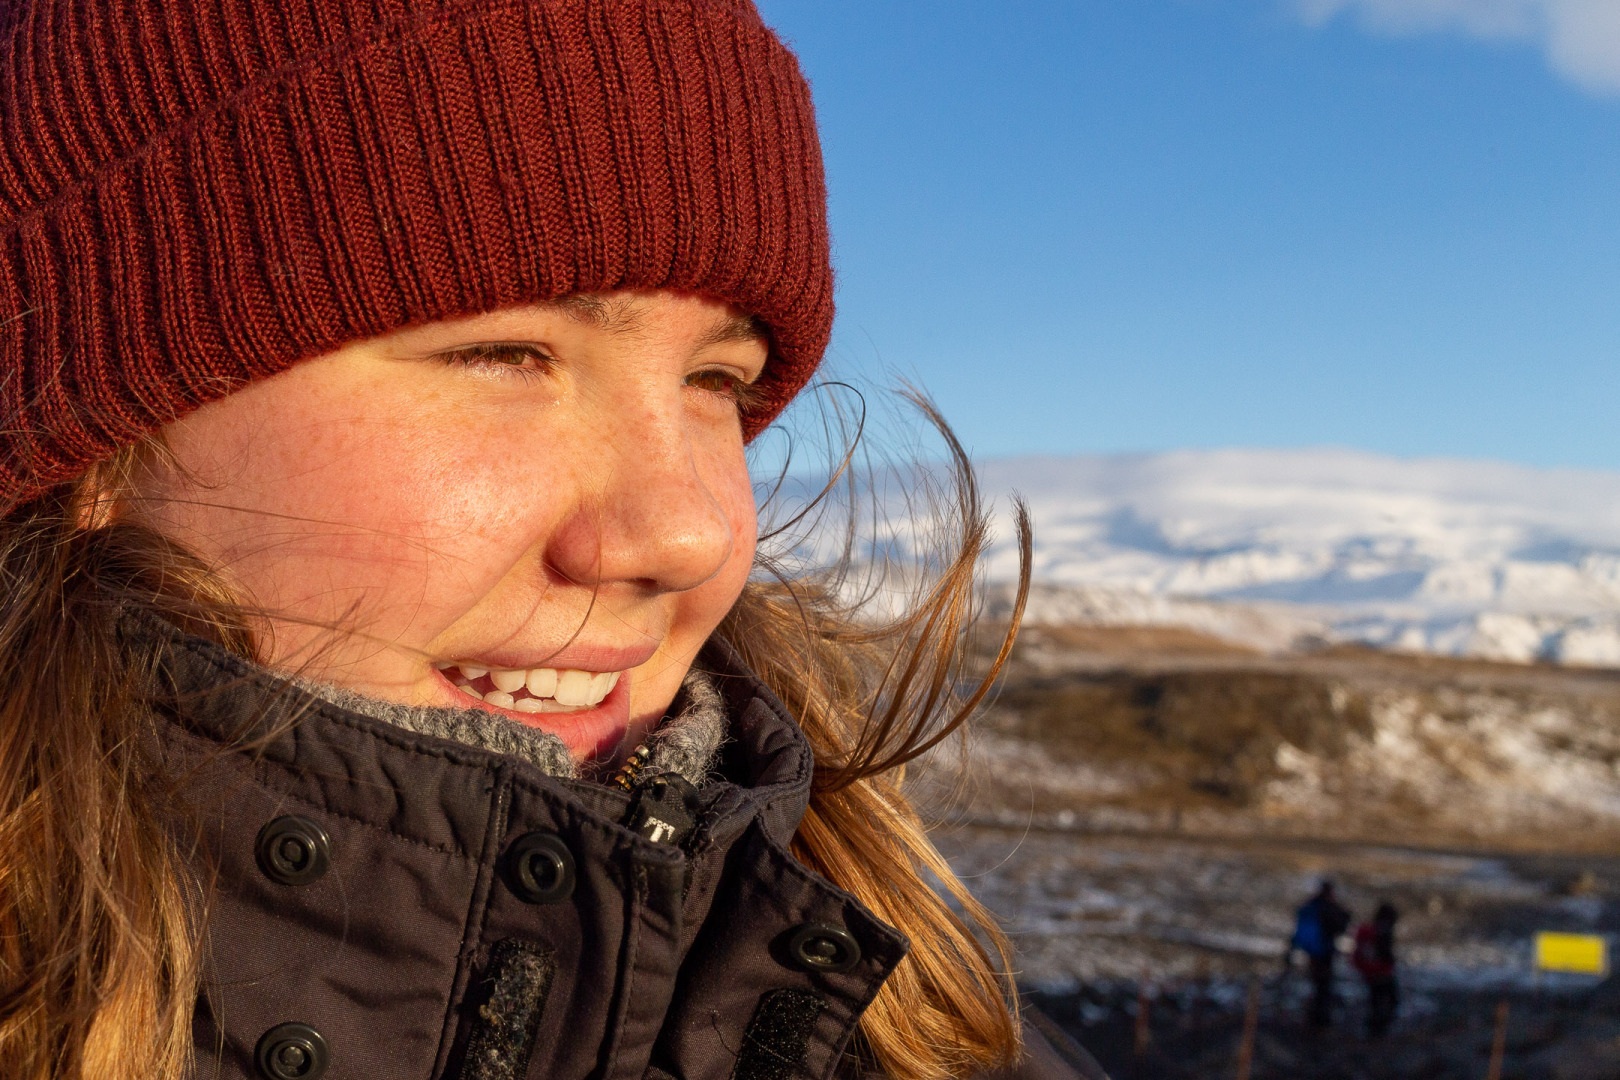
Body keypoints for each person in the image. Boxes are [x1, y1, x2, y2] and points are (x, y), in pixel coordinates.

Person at [0, 3, 1095, 1080]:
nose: (688, 532)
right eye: (505, 353)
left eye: (717, 381)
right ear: (95, 438)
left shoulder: (921, 1038)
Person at [1291, 880, 1352, 1028]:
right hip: (1324, 952)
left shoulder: (1310, 905)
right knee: (1323, 986)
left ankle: (1312, 1016)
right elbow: (1341, 926)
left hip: (1312, 952)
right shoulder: (1329, 908)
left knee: (1317, 983)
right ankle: (1319, 1019)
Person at [1352, 902, 1400, 1038]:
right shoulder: (1382, 931)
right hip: (1380, 971)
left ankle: (1374, 1028)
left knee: (1375, 1001)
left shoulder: (1369, 930)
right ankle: (1378, 1029)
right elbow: (1385, 953)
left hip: (1369, 971)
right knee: (1387, 1000)